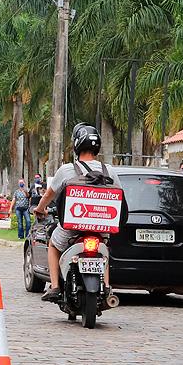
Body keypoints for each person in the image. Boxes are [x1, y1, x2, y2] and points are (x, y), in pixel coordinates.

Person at [33, 123, 116, 302]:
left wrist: (39, 209)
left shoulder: (67, 170)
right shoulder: (109, 170)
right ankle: (107, 288)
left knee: (53, 245)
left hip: (72, 229)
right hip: (101, 228)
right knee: (104, 251)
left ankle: (55, 286)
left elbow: (48, 195)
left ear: (77, 145)